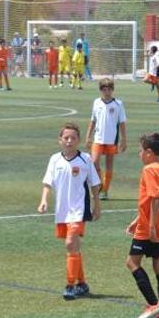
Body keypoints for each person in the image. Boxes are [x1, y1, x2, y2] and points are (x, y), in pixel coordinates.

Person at [37, 122, 101, 300]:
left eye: (73, 138)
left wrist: (97, 204)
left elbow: (94, 183)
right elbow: (47, 183)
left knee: (70, 242)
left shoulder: (85, 159)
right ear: (60, 140)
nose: (69, 141)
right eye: (66, 138)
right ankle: (82, 283)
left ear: (78, 140)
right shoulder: (54, 159)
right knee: (74, 247)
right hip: (61, 211)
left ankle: (70, 285)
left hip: (79, 209)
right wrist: (44, 200)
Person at [125, 132, 159, 318]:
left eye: (140, 150)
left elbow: (154, 198)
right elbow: (156, 199)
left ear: (148, 152)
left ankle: (154, 303)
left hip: (151, 226)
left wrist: (150, 226)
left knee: (132, 262)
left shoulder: (149, 170)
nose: (139, 154)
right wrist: (137, 219)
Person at [85, 78, 127, 201]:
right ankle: (98, 185)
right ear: (100, 90)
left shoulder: (118, 104)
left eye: (109, 89)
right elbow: (93, 120)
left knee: (109, 165)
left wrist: (124, 139)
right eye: (104, 89)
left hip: (111, 140)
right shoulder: (96, 102)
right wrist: (88, 136)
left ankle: (105, 190)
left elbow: (122, 123)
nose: (106, 92)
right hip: (98, 138)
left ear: (112, 90)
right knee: (94, 162)